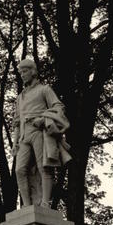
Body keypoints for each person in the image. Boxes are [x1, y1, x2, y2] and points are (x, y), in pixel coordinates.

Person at [12, 58, 71, 207]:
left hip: (39, 131)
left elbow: (59, 108)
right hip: (24, 135)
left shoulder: (44, 89)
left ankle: (45, 202)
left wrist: (43, 119)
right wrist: (14, 143)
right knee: (19, 170)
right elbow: (17, 122)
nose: (22, 75)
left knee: (44, 167)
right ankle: (26, 205)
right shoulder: (20, 97)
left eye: (25, 71)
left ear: (33, 72)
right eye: (21, 72)